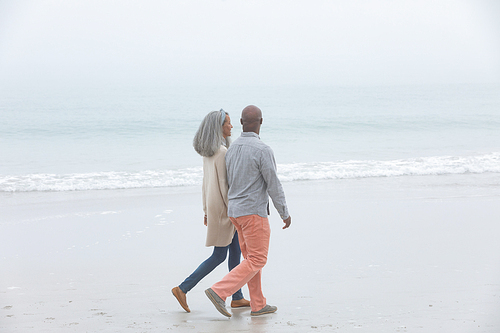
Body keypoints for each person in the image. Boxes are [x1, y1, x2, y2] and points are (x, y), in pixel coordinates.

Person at [205, 105, 291, 318]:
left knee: (251, 259)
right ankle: (219, 291)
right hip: (253, 212)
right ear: (261, 122)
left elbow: (229, 182)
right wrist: (284, 212)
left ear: (242, 123)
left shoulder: (232, 149)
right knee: (258, 259)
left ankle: (258, 304)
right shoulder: (263, 150)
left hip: (235, 212)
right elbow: (273, 184)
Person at [172, 109, 250, 312]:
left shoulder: (210, 152)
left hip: (215, 207)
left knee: (235, 252)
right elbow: (225, 187)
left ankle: (237, 296)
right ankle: (183, 288)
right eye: (228, 123)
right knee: (219, 255)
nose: (231, 126)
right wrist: (235, 211)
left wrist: (206, 210)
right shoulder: (222, 152)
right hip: (225, 209)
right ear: (219, 126)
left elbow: (205, 184)